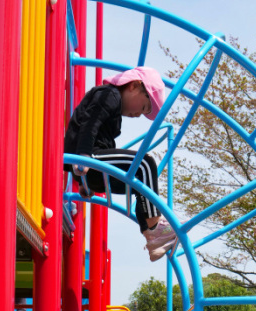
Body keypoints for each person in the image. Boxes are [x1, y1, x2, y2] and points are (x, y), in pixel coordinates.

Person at [64, 66, 177, 261]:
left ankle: (151, 235)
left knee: (140, 184)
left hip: (92, 167)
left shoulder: (114, 109)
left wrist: (83, 183)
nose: (138, 115)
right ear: (133, 86)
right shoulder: (109, 95)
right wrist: (83, 156)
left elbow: (106, 142)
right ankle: (155, 226)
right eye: (143, 108)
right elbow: (90, 123)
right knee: (144, 163)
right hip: (89, 156)